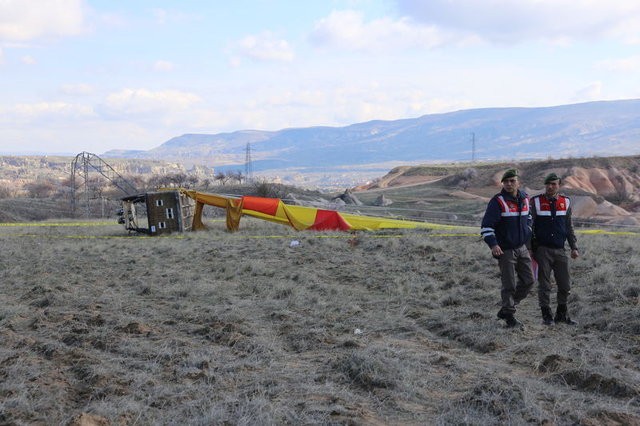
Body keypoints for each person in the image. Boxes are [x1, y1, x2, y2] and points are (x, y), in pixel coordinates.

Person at [481, 169, 535, 328]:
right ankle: (510, 316)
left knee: (529, 281)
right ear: (502, 183)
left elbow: (529, 218)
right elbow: (486, 226)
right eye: (506, 182)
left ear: (518, 182)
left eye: (512, 181)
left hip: (522, 247)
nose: (509, 184)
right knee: (509, 284)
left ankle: (506, 308)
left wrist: (528, 232)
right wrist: (493, 244)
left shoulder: (525, 198)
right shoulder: (497, 201)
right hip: (505, 250)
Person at [530, 173, 579, 326]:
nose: (550, 187)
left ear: (559, 185)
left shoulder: (566, 202)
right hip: (542, 250)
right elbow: (529, 227)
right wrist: (532, 249)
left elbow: (568, 226)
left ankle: (561, 314)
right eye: (548, 184)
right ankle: (546, 316)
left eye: (554, 184)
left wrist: (574, 247)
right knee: (544, 285)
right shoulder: (535, 202)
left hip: (560, 250)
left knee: (565, 285)